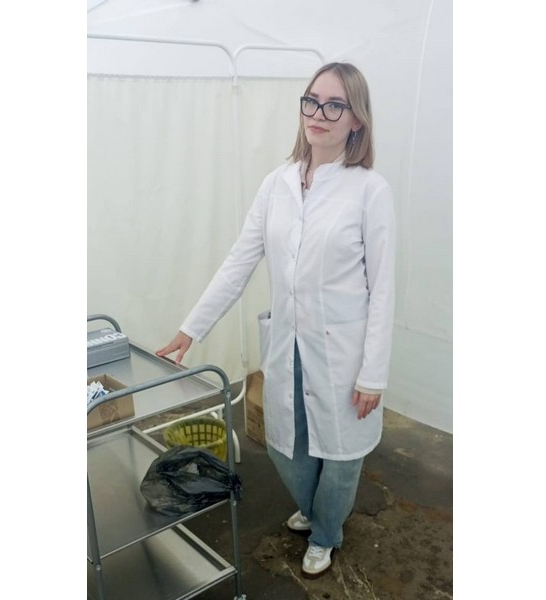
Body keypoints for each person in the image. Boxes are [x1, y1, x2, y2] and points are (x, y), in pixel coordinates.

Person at [157, 62, 396, 578]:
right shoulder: (277, 184)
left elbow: (383, 290)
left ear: (356, 119)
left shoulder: (369, 190)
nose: (319, 114)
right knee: (288, 447)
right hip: (289, 343)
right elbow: (239, 263)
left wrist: (373, 372)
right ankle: (313, 508)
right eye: (312, 100)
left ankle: (326, 533)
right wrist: (190, 329)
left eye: (335, 105)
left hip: (345, 351)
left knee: (342, 456)